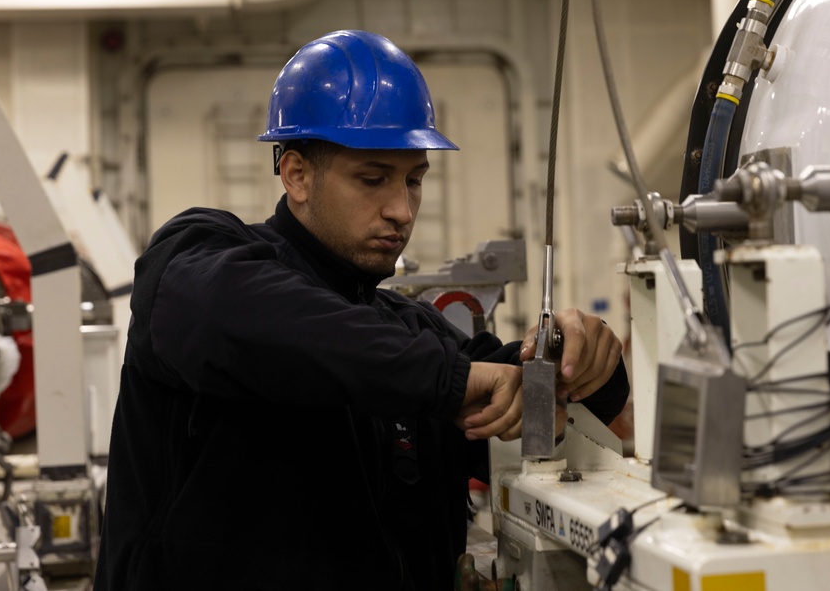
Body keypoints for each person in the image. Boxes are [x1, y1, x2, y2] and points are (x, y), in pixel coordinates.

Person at [94, 29, 629, 590]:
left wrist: (587, 364)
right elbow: (266, 323)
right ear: (297, 174)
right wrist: (448, 380)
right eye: (372, 179)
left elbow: (522, 400)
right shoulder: (199, 259)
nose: (401, 209)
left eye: (414, 181)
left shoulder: (410, 333)